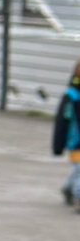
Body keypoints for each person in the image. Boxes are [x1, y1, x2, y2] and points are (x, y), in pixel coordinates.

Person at [54, 61, 80, 207]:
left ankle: (68, 188)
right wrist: (58, 145)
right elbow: (61, 122)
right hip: (75, 139)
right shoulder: (72, 95)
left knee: (78, 170)